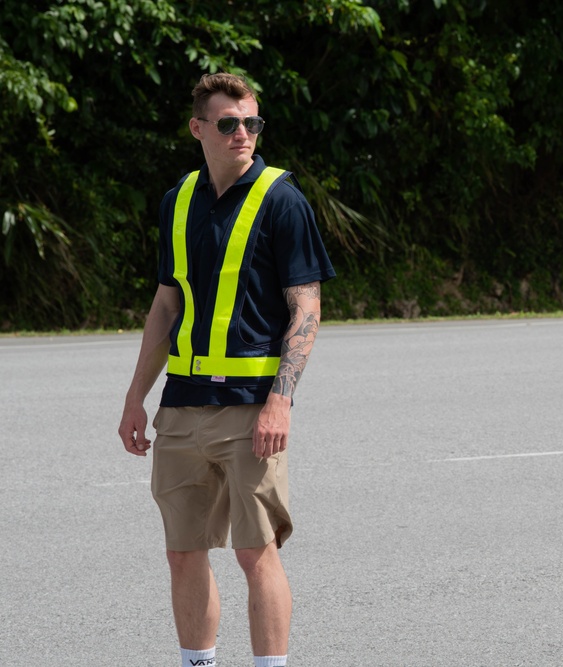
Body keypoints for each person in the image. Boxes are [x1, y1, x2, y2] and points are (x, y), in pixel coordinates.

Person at [118, 72, 336, 667]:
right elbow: (167, 304)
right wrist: (137, 396)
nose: (244, 133)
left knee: (254, 551)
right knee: (183, 552)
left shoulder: (282, 199)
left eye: (253, 123)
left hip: (250, 408)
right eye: (229, 123)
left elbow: (307, 308)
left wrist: (280, 400)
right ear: (199, 129)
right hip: (182, 408)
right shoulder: (178, 200)